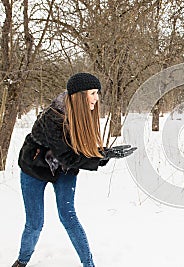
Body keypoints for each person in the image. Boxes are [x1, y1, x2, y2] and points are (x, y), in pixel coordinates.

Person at [12, 73, 136, 267]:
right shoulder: (54, 117)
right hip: (34, 167)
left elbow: (79, 152)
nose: (97, 98)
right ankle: (22, 261)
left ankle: (89, 264)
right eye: (93, 93)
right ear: (79, 95)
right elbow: (67, 155)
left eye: (97, 93)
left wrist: (105, 154)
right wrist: (101, 157)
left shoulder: (83, 114)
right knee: (35, 223)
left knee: (68, 216)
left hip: (64, 169)